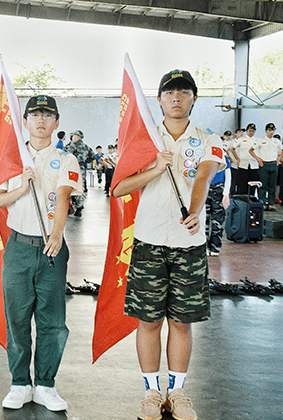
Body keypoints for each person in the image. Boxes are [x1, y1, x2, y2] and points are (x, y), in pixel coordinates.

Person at [112, 69, 224, 420]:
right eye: (169, 92)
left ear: (193, 98)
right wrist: (154, 168)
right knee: (148, 321)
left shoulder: (208, 139)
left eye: (184, 91)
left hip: (189, 243)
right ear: (159, 100)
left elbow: (205, 173)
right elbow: (118, 188)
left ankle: (177, 392)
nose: (176, 97)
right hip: (149, 242)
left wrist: (194, 210)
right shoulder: (145, 140)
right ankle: (150, 392)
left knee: (181, 322)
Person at [0, 95, 80, 412]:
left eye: (47, 115)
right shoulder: (13, 160)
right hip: (18, 249)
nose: (41, 120)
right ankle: (19, 383)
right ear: (24, 121)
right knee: (17, 319)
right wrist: (19, 188)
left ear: (56, 123)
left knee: (52, 321)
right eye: (34, 115)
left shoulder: (66, 159)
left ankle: (45, 384)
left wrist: (56, 233)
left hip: (51, 250)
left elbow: (65, 195)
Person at [205, 154, 231, 256]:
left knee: (218, 221)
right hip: (204, 188)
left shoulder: (223, 157)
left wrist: (225, 194)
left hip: (219, 190)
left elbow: (228, 175)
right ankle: (205, 247)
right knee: (204, 221)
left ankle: (215, 247)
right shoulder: (203, 154)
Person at [252, 123, 282, 210]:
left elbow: (282, 149)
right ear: (266, 131)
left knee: (272, 185)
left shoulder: (276, 141)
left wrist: (279, 158)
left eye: (273, 130)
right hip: (264, 164)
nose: (271, 132)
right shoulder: (261, 140)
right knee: (263, 185)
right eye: (269, 130)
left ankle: (271, 203)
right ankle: (263, 202)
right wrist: (258, 159)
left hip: (273, 163)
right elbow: (251, 150)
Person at [64, 130, 91, 217]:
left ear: (77, 136)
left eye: (73, 135)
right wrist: (85, 161)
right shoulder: (86, 147)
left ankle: (70, 207)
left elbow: (66, 156)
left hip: (73, 168)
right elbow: (93, 156)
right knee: (81, 187)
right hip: (82, 168)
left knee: (70, 186)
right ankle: (79, 208)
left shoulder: (72, 145)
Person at [232, 123, 259, 195]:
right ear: (247, 131)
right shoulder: (241, 139)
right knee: (242, 183)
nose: (251, 132)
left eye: (253, 131)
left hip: (254, 165)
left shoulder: (257, 140)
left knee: (253, 184)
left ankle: (252, 199)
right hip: (243, 164)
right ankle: (242, 200)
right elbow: (233, 148)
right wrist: (237, 158)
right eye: (250, 131)